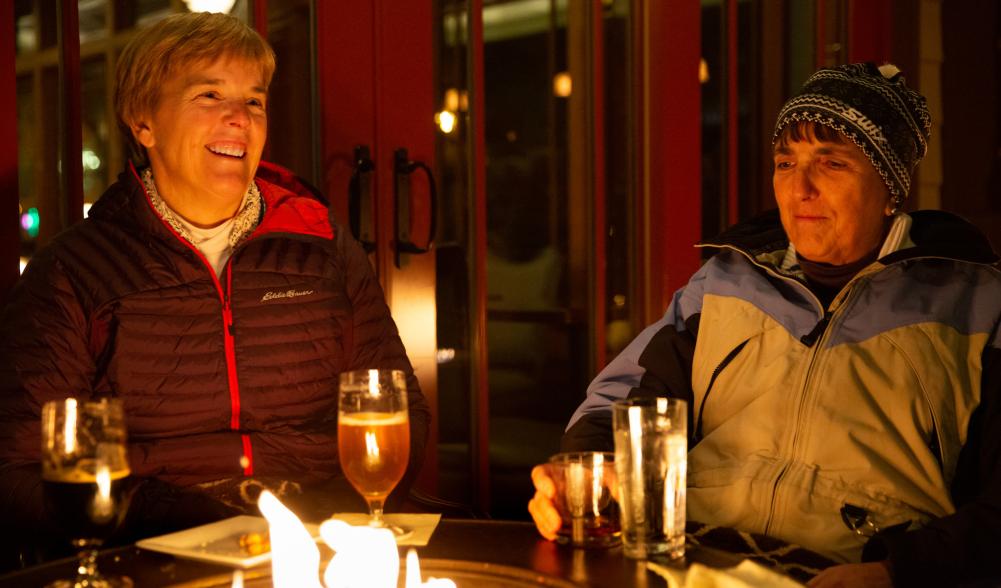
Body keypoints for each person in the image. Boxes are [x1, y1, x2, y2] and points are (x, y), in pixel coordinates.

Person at [529, 63, 1001, 587]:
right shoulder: (725, 282)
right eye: (784, 162)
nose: (800, 188)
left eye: (832, 164)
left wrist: (897, 572)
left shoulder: (976, 307)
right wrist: (581, 473)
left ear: (891, 188)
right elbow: (625, 404)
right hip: (692, 562)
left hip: (851, 569)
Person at [0, 12, 429, 562]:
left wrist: (330, 525)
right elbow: (18, 471)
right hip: (160, 544)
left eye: (254, 101)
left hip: (324, 533)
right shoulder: (74, 272)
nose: (240, 119)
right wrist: (172, 516)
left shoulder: (321, 247)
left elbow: (402, 413)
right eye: (208, 95)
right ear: (142, 121)